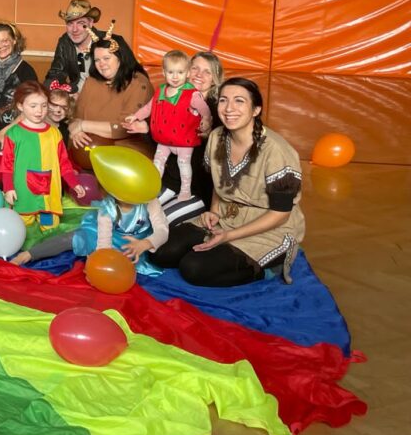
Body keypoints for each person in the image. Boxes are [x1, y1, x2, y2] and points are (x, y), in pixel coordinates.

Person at [152, 78, 305, 286]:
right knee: (160, 252)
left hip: (267, 227)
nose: (229, 108)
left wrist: (229, 236)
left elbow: (280, 214)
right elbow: (219, 183)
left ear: (256, 110)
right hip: (225, 216)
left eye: (239, 101)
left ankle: (268, 268)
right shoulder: (216, 137)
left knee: (193, 268)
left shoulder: (276, 151)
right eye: (223, 100)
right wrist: (214, 211)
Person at [129, 52, 225, 225]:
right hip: (170, 179)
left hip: (197, 188)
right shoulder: (170, 97)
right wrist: (146, 128)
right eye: (195, 68)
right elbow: (164, 141)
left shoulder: (217, 110)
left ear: (214, 79)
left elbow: (221, 158)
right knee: (133, 210)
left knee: (156, 221)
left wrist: (208, 136)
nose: (198, 74)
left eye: (207, 72)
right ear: (187, 71)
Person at [0, 81, 86, 233]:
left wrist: (74, 183)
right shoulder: (13, 134)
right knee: (19, 227)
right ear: (21, 106)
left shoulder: (54, 133)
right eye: (33, 106)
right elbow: (7, 165)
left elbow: (63, 163)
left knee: (50, 228)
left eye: (44, 105)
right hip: (23, 194)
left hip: (48, 196)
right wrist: (8, 188)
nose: (39, 111)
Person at [68, 26, 155, 170]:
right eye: (97, 60)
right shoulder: (92, 81)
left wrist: (83, 125)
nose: (101, 64)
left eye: (107, 58)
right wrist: (75, 130)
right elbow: (76, 116)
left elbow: (124, 127)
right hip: (87, 153)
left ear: (120, 58)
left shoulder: (139, 84)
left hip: (125, 157)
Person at [18, 195, 169, 271]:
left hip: (133, 244)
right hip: (103, 235)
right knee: (72, 238)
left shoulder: (150, 201)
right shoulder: (108, 203)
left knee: (123, 267)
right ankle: (29, 254)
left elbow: (162, 230)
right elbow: (104, 240)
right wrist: (100, 259)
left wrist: (146, 243)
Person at [45, 0, 132, 93]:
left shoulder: (112, 41)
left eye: (81, 23)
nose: (74, 29)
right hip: (75, 96)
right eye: (70, 23)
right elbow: (56, 72)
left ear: (91, 23)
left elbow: (130, 75)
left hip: (107, 95)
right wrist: (56, 88)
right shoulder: (65, 42)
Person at [0, 22, 39, 148]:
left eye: (4, 41)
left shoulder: (26, 71)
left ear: (14, 40)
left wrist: (4, 132)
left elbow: (31, 109)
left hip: (14, 132)